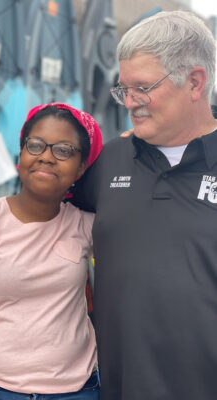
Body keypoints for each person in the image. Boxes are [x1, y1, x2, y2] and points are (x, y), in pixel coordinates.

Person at [70, 10, 217, 400]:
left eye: (142, 88)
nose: (130, 103)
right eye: (124, 90)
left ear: (195, 82)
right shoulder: (108, 161)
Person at [0, 103, 103, 400]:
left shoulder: (86, 225)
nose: (46, 157)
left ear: (81, 168)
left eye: (64, 150)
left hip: (81, 391)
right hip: (1, 391)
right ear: (21, 153)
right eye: (36, 145)